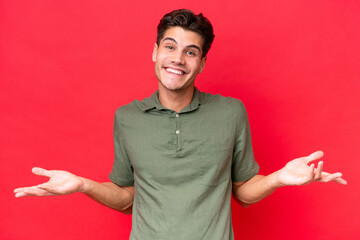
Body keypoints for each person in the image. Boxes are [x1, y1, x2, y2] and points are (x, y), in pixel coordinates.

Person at [14, 9, 347, 240]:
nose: (177, 59)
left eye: (191, 52)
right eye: (170, 47)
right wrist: (82, 185)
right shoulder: (127, 118)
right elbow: (127, 198)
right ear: (155, 51)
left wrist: (278, 179)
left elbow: (243, 193)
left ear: (202, 63)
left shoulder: (231, 112)